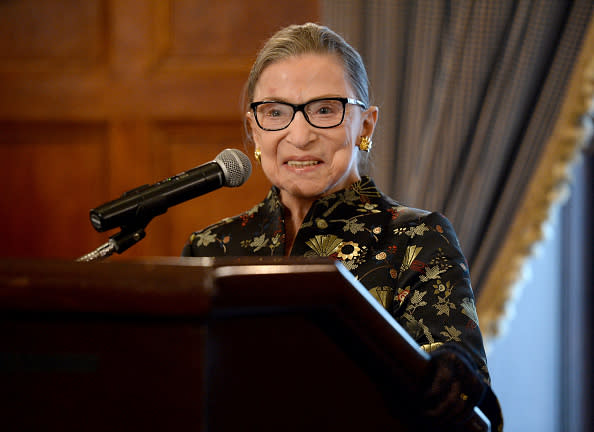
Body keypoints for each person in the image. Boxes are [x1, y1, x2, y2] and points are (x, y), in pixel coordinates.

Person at [182, 22, 502, 430]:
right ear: (253, 130)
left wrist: (450, 375)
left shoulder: (417, 239)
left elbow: (466, 402)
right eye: (276, 112)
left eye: (325, 110)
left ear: (365, 126)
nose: (299, 136)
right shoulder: (212, 246)